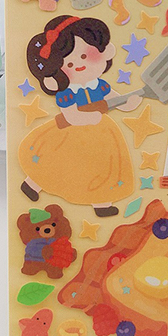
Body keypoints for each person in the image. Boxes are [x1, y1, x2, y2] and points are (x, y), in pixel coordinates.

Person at [19, 15, 140, 217]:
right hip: (70, 133)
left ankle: (102, 202)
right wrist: (88, 118)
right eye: (68, 64)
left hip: (100, 133)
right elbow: (71, 114)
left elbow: (114, 99)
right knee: (55, 160)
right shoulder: (67, 92)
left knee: (103, 166)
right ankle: (32, 184)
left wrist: (129, 102)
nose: (78, 65)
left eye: (84, 56)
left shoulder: (99, 86)